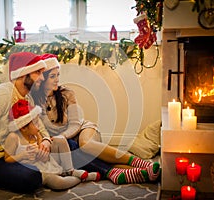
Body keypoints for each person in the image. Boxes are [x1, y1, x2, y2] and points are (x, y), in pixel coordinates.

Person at [30, 53, 161, 185]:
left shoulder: (66, 93)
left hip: (81, 130)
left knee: (86, 144)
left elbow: (75, 124)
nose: (57, 79)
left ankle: (139, 163)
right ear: (42, 79)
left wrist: (62, 136)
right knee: (86, 158)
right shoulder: (35, 100)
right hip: (65, 143)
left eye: (58, 75)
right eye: (52, 76)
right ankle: (141, 173)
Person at [0, 52, 53, 193]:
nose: (42, 78)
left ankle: (102, 171)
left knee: (70, 145)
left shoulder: (28, 98)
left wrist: (45, 141)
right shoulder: (1, 95)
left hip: (19, 149)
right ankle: (49, 174)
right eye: (38, 72)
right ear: (23, 74)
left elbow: (39, 126)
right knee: (31, 178)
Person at [4, 99, 100, 190]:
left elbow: (42, 150)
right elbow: (7, 158)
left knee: (60, 139)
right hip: (40, 171)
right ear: (23, 128)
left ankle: (70, 170)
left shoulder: (35, 135)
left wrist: (41, 153)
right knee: (58, 183)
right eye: (36, 123)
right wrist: (22, 155)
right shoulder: (14, 137)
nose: (39, 126)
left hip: (47, 162)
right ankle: (82, 178)